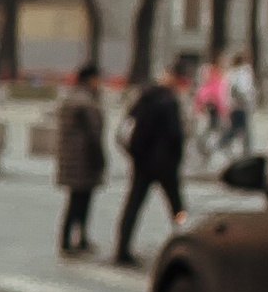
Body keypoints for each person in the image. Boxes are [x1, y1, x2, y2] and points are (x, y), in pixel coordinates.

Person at [114, 68, 187, 267]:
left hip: (142, 162)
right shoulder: (169, 102)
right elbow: (175, 134)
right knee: (176, 205)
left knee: (133, 205)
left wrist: (135, 154)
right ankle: (184, 239)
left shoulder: (143, 99)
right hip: (165, 163)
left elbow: (127, 127)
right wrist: (178, 157)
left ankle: (121, 248)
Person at [53, 59, 106, 254]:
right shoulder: (87, 102)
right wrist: (100, 159)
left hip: (71, 158)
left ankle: (71, 239)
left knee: (75, 200)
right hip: (85, 158)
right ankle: (74, 239)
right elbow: (94, 133)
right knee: (80, 201)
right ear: (91, 79)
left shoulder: (71, 97)